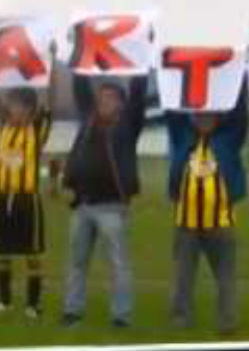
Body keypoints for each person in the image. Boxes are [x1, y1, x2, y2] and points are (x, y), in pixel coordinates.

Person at [61, 74, 147, 328]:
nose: (103, 102)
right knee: (77, 262)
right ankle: (72, 311)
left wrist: (142, 62)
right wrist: (79, 44)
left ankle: (121, 316)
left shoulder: (128, 125)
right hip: (82, 204)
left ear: (122, 103)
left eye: (110, 98)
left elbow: (139, 95)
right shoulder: (88, 121)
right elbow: (79, 86)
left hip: (111, 205)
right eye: (101, 97)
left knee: (118, 264)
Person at [166, 90, 248, 335]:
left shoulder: (229, 139)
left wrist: (239, 80)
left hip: (220, 224)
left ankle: (227, 322)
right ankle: (181, 319)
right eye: (200, 116)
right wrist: (172, 78)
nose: (205, 120)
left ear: (219, 119)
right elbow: (173, 113)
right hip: (186, 223)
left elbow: (239, 114)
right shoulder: (183, 137)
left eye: (210, 116)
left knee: (225, 277)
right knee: (183, 277)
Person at [0, 71, 56, 320]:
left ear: (29, 111)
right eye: (11, 106)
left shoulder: (35, 132)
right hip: (2, 199)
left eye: (17, 107)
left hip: (27, 201)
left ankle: (33, 304)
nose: (12, 111)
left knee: (32, 255)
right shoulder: (3, 128)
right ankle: (4, 301)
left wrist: (49, 70)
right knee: (2, 254)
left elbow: (49, 102)